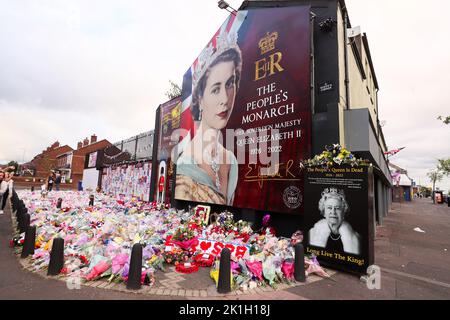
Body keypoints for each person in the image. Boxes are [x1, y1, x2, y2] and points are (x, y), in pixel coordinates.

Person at [175, 30, 241, 206]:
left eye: (229, 84)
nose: (225, 99)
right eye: (215, 89)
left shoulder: (230, 159)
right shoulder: (186, 162)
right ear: (199, 99)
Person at [308, 188, 361, 255]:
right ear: (324, 212)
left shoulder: (355, 237)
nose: (333, 212)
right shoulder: (312, 233)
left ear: (343, 212)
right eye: (329, 208)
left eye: (337, 208)